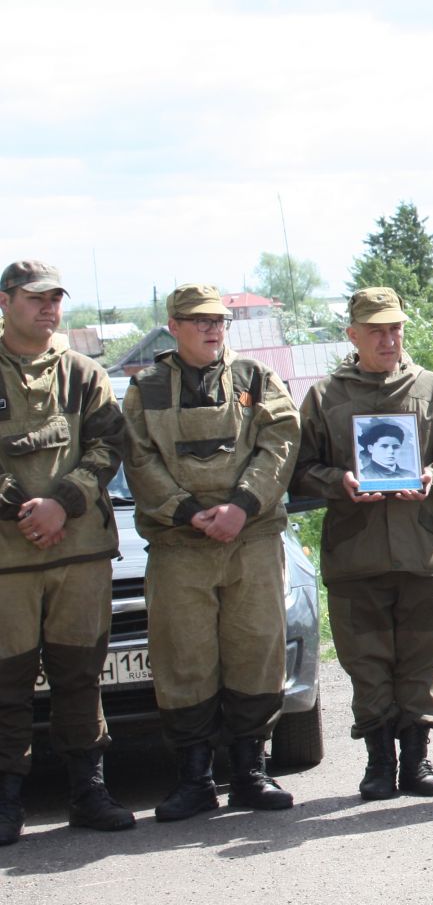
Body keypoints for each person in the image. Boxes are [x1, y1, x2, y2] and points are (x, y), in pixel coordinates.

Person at [292, 287, 433, 800]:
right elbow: (298, 469)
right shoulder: (324, 397)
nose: (387, 338)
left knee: (422, 659)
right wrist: (339, 482)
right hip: (356, 556)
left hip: (421, 551)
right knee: (367, 662)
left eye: (394, 327)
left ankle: (417, 761)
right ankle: (379, 763)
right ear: (352, 334)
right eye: (375, 329)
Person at [121, 284, 300, 818]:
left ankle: (250, 772)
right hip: (180, 545)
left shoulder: (255, 378)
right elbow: (138, 457)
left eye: (219, 320)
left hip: (252, 540)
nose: (212, 328)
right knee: (185, 659)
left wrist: (242, 505)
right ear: (173, 326)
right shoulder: (147, 388)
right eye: (198, 321)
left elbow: (281, 440)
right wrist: (185, 510)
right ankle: (194, 779)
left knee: (256, 653)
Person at [0, 260, 133, 846]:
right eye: (35, 298)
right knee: (6, 682)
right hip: (8, 559)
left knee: (80, 676)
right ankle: (7, 801)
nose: (48, 308)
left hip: (77, 552)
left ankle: (89, 791)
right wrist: (20, 510)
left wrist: (60, 503)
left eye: (55, 298)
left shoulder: (84, 373)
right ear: (6, 302)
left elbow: (109, 446)